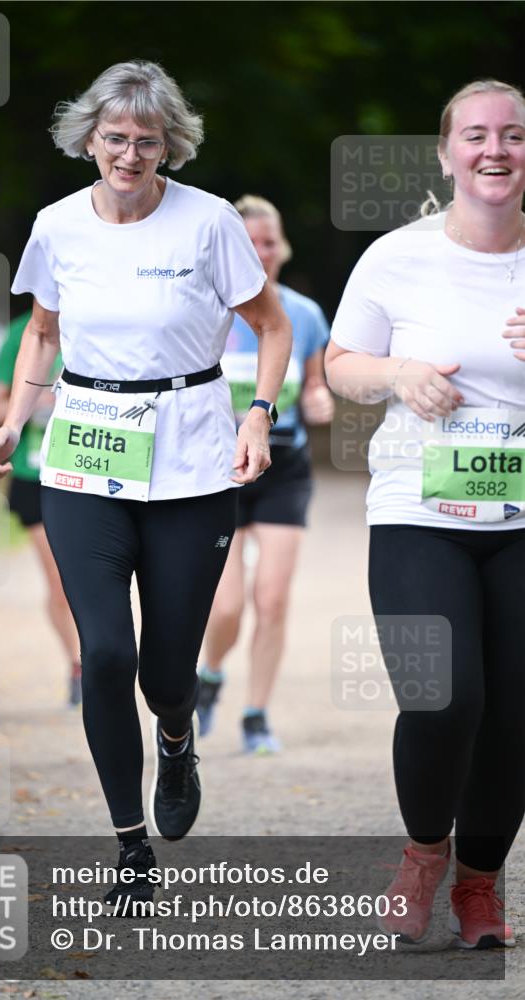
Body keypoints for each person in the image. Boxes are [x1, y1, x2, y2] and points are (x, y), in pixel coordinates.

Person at [0, 60, 292, 909]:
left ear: (169, 147)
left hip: (190, 451)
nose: (128, 153)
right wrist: (12, 423)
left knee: (163, 671)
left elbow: (270, 327)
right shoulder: (56, 226)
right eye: (114, 137)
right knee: (106, 653)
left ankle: (178, 736)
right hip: (86, 451)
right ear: (88, 139)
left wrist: (256, 414)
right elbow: (42, 333)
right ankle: (128, 843)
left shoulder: (210, 222)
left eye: (146, 141)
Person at [325, 79, 525, 950]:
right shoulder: (396, 256)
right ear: (446, 154)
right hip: (416, 509)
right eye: (476, 135)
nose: (495, 150)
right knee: (444, 698)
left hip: (520, 519)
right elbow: (338, 365)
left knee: (516, 709)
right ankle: (421, 857)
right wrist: (397, 376)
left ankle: (480, 885)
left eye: (513, 135)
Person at [197, 196, 334, 753]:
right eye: (250, 242)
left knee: (272, 599)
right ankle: (210, 675)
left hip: (284, 466)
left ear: (283, 247)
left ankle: (256, 717)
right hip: (219, 468)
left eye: (270, 241)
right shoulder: (206, 306)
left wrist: (322, 399)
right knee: (226, 604)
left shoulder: (303, 314)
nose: (261, 252)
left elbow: (316, 382)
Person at [0, 312, 81, 707]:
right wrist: (39, 402)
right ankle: (78, 663)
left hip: (95, 472)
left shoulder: (103, 317)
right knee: (61, 579)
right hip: (34, 475)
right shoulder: (21, 335)